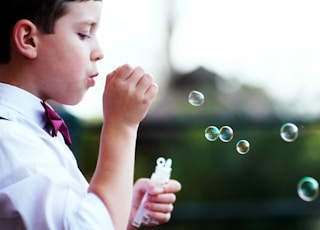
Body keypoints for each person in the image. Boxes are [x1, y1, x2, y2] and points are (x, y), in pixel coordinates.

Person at [0, 0, 181, 229]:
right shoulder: (9, 139)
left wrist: (121, 210)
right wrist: (121, 127)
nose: (99, 52)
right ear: (28, 39)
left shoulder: (26, 130)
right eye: (84, 34)